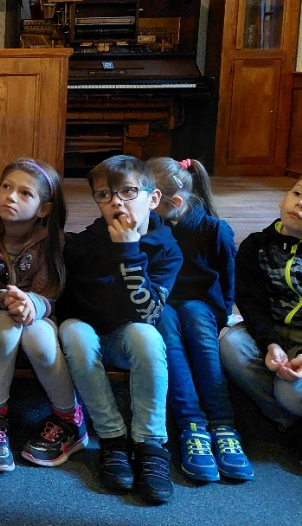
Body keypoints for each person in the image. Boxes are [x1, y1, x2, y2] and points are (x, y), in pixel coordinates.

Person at [57, 155, 182, 505]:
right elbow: (77, 303)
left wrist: (129, 252)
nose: (116, 202)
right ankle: (112, 438)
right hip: (87, 332)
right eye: (104, 195)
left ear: (152, 198)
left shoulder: (167, 250)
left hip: (126, 335)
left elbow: (148, 312)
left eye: (127, 192)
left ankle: (150, 443)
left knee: (148, 337)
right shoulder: (86, 243)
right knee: (74, 332)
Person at [0, 159, 86, 473]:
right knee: (3, 326)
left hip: (37, 315)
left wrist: (31, 303)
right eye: (6, 187)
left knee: (37, 335)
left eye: (25, 193)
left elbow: (50, 292)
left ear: (44, 209)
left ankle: (69, 417)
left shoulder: (50, 240)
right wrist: (2, 298)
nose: (11, 196)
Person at [149, 157, 254, 483]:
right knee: (167, 326)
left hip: (202, 305)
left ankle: (223, 425)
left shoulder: (215, 230)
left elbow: (228, 280)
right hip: (165, 302)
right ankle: (191, 424)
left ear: (173, 203)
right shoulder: (151, 227)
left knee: (196, 318)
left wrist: (223, 317)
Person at [219, 175, 302, 461]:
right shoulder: (256, 245)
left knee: (291, 394)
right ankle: (291, 424)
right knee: (230, 344)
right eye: (297, 193)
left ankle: (289, 415)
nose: (299, 204)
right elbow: (250, 302)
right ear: (283, 198)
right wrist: (270, 345)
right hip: (270, 333)